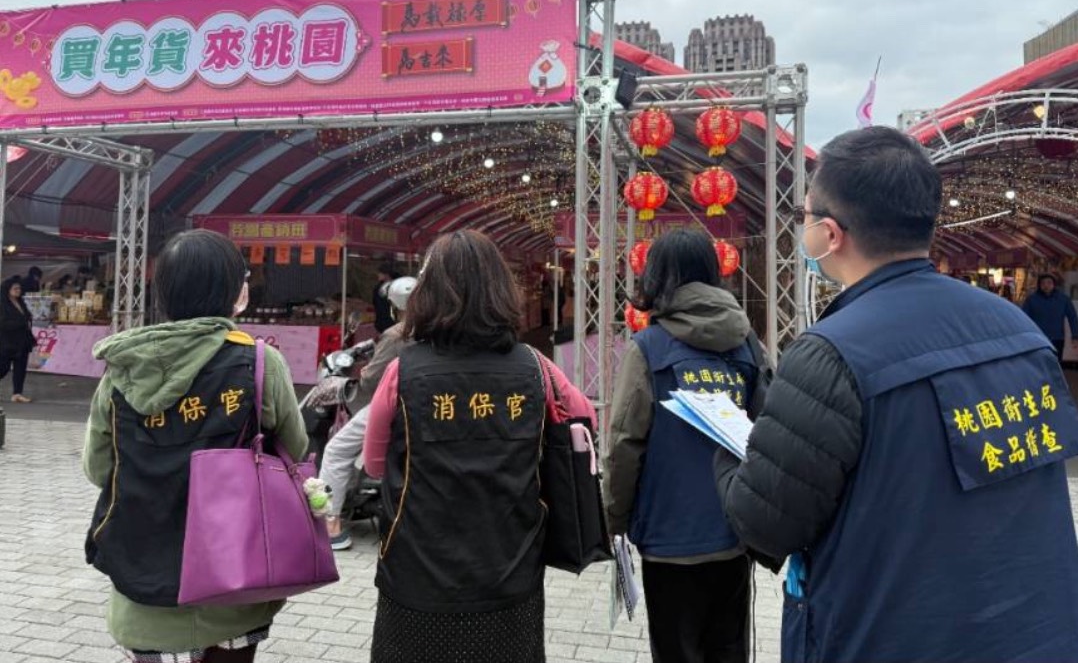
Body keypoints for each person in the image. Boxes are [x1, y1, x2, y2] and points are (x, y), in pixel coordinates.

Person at [714, 126, 1078, 663]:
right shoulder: (1018, 330)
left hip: (886, 636)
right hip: (1038, 633)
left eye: (805, 215)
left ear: (829, 234)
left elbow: (764, 526)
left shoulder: (830, 354)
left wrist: (725, 443)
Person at [362, 230, 595, 663]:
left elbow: (374, 464)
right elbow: (584, 422)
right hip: (511, 571)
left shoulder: (402, 370)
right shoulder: (536, 367)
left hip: (416, 575)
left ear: (428, 294)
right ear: (500, 291)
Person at [83, 230, 307, 663]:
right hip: (234, 583)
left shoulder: (125, 367)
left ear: (164, 291)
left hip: (142, 581)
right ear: (234, 291)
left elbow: (98, 468)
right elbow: (293, 454)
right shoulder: (259, 362)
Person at [604, 229, 763, 663]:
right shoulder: (748, 345)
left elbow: (625, 444)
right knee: (728, 650)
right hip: (734, 533)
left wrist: (614, 517)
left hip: (668, 537)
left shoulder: (648, 348)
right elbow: (771, 430)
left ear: (656, 277)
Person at [322, 275, 417, 551]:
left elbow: (371, 380)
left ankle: (331, 524)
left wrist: (363, 372)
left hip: (394, 405)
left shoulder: (397, 334)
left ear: (394, 306)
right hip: (424, 405)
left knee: (337, 450)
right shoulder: (435, 328)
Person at [1022, 272, 1078, 362]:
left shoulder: (1063, 299)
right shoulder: (1031, 300)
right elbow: (1023, 318)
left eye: (1049, 282)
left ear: (1054, 284)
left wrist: (1075, 336)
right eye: (1043, 283)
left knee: (1055, 363)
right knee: (1038, 363)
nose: (1046, 285)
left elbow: (1073, 317)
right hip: (1038, 338)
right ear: (1039, 285)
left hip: (1057, 338)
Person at [0, 276, 36, 403]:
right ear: (8, 290)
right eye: (15, 288)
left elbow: (26, 317)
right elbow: (3, 324)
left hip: (23, 341)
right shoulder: (2, 304)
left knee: (20, 368)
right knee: (3, 367)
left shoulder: (20, 302)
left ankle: (17, 393)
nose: (18, 290)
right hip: (7, 342)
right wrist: (21, 322)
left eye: (19, 288)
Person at [372, 262, 397, 335]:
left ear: (386, 274)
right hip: (383, 321)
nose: (378, 275)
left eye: (380, 273)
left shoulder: (394, 287)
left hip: (388, 321)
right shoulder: (378, 287)